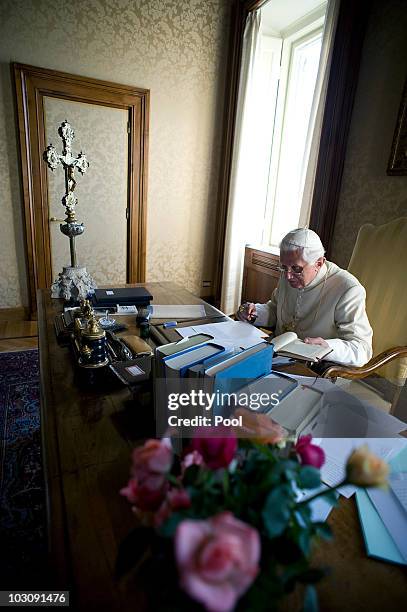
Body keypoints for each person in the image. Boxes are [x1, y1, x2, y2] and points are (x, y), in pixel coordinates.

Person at [236, 228, 373, 367]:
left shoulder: (347, 289)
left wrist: (327, 346)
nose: (288, 276)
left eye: (296, 269)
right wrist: (254, 313)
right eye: (283, 267)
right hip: (276, 357)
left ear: (319, 263)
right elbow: (276, 310)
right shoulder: (288, 273)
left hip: (317, 370)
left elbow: (362, 349)